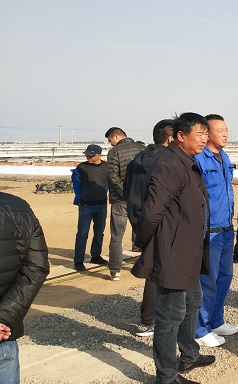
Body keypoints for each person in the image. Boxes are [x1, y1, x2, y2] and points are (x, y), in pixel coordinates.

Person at [134, 113, 214, 384]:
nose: (204, 139)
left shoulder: (186, 161)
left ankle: (189, 355)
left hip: (189, 249)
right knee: (170, 314)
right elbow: (152, 211)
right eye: (200, 134)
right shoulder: (168, 165)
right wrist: (142, 241)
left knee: (193, 302)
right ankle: (166, 376)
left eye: (206, 134)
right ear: (181, 136)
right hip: (173, 251)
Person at [0, 192, 50, 384]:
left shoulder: (18, 207)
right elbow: (36, 267)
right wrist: (5, 317)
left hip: (3, 334)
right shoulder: (18, 207)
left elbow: (36, 267)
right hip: (3, 334)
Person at [125, 119, 174, 337]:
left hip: (140, 221)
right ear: (171, 138)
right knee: (160, 272)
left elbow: (127, 191)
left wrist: (138, 224)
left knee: (154, 269)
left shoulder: (137, 160)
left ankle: (150, 318)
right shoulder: (167, 161)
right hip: (161, 222)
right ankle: (151, 320)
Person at [193, 114, 237, 348]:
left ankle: (216, 320)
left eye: (226, 130)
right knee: (206, 281)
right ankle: (200, 329)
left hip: (226, 228)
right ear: (207, 133)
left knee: (224, 277)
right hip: (209, 230)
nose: (225, 134)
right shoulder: (199, 158)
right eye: (220, 130)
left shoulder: (224, 156)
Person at [105, 127, 144, 281]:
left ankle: (115, 271)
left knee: (117, 236)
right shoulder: (142, 149)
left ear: (116, 136)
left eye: (110, 140)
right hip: (140, 198)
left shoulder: (114, 152)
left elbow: (113, 177)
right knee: (145, 232)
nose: (110, 143)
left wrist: (126, 193)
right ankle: (147, 265)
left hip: (120, 200)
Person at [71, 144, 108, 272]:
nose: (88, 157)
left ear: (99, 155)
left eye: (91, 155)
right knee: (82, 234)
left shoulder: (107, 167)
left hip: (102, 204)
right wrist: (79, 199)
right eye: (87, 155)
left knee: (99, 232)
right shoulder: (81, 167)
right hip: (86, 205)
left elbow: (109, 183)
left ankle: (96, 256)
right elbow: (76, 185)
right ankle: (78, 261)